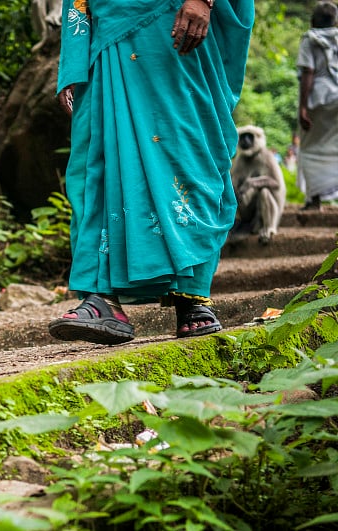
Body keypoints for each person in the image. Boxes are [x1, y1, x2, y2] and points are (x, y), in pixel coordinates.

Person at [48, 0, 254, 345]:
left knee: (185, 152)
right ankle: (102, 298)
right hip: (106, 27)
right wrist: (73, 59)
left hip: (173, 21)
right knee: (103, 156)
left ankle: (191, 296)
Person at [296, 1, 338, 212]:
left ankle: (314, 200)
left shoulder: (310, 39)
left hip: (318, 99)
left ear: (313, 20)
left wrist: (303, 107)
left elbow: (308, 73)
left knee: (310, 148)